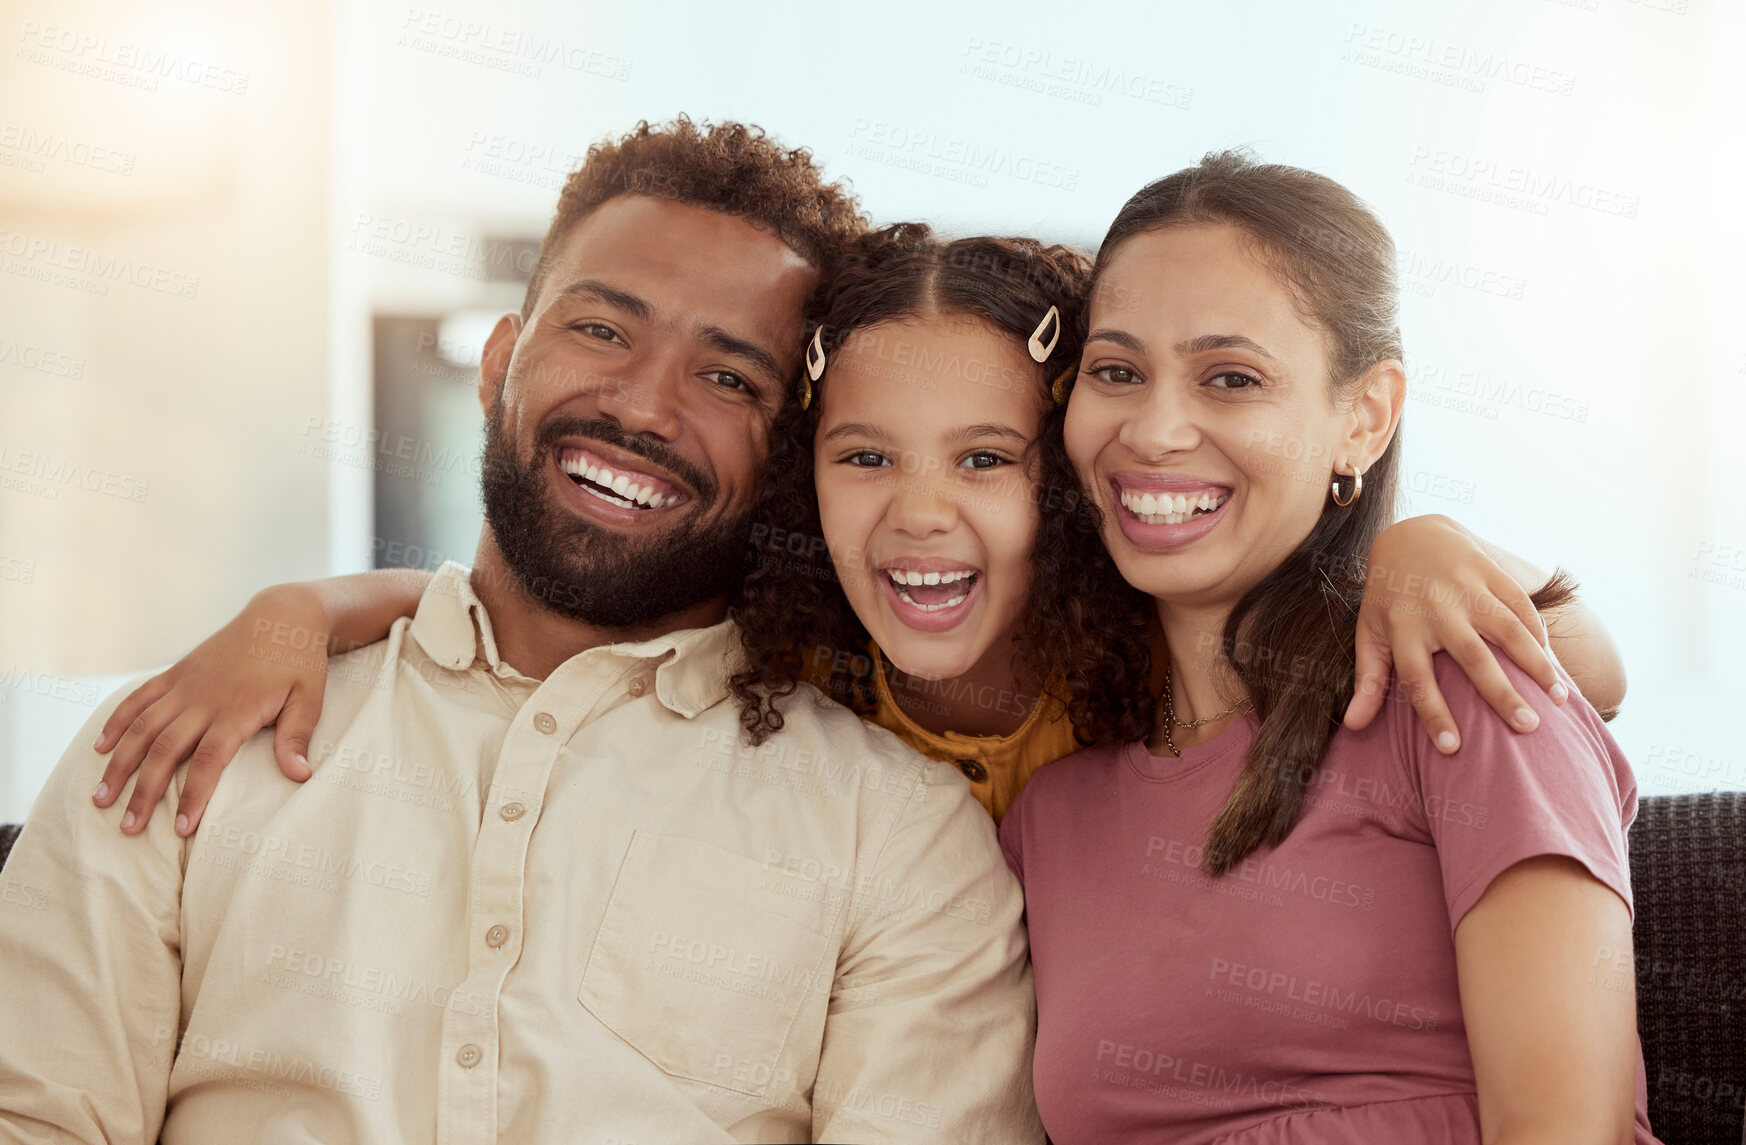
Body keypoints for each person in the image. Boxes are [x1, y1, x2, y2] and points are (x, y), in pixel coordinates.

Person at [0, 119, 1045, 1144]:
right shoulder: (186, 738)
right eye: (601, 330)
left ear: (787, 454)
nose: (643, 406)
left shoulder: (900, 841)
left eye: (728, 376)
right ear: (500, 362)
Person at [90, 228, 1624, 835]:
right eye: (863, 457)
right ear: (797, 483)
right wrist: (291, 608)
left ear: (1071, 481)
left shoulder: (1164, 658)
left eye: (985, 460)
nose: (920, 514)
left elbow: (1585, 673)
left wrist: (1416, 549)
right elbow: (504, 614)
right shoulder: (794, 656)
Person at [1001, 151, 1657, 1143]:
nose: (1156, 427)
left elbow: (1576, 1127)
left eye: (1231, 377)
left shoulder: (1460, 689)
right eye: (1117, 370)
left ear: (1363, 417)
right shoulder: (1049, 814)